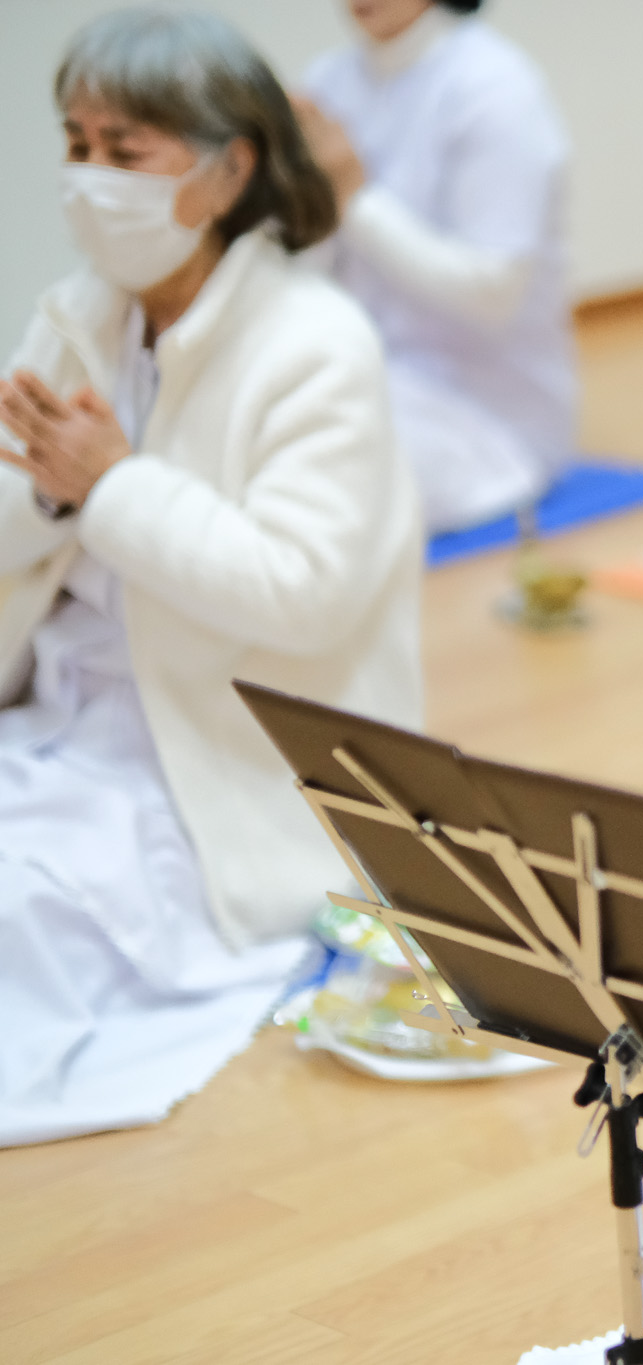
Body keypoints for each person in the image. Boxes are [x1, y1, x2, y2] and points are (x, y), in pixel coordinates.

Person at [0, 10, 422, 1147]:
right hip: (56, 723)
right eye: (76, 144)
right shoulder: (78, 318)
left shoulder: (315, 343)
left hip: (205, 768)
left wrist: (109, 485)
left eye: (124, 150)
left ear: (227, 171)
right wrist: (50, 495)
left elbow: (302, 593)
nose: (88, 177)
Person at [297, 0, 578, 535]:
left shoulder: (495, 87)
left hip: (490, 421)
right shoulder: (327, 82)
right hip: (370, 376)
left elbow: (493, 294)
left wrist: (352, 196)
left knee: (306, 480)